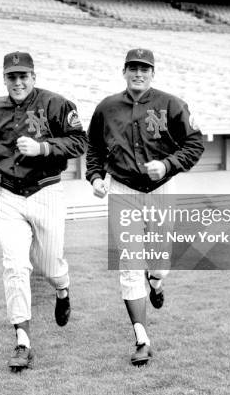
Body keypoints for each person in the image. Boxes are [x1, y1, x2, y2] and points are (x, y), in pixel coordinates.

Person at [86, 48, 204, 366]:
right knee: (129, 265)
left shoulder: (171, 104)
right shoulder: (106, 108)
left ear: (153, 73)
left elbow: (195, 143)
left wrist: (167, 165)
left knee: (159, 260)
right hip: (123, 189)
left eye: (145, 69)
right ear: (123, 71)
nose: (139, 73)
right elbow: (94, 148)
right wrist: (95, 177)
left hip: (161, 187)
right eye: (133, 68)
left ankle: (157, 280)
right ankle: (141, 337)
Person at [0, 51, 87, 372]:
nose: (18, 81)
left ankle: (63, 289)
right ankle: (22, 341)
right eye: (12, 76)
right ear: (4, 78)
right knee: (15, 266)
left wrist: (43, 148)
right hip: (10, 195)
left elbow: (80, 142)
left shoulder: (56, 104)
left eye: (24, 76)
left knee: (50, 267)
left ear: (34, 77)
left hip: (47, 190)